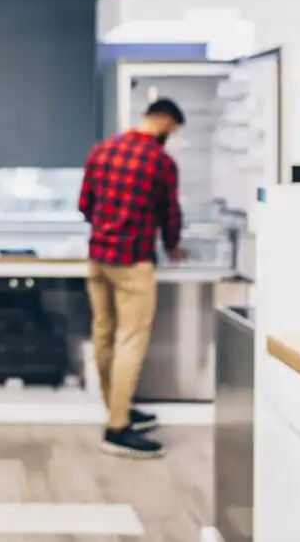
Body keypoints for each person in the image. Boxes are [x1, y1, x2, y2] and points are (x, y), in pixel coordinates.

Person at [78, 97, 186, 459]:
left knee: (104, 333)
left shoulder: (103, 150)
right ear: (167, 123)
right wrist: (173, 245)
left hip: (98, 258)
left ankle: (117, 408)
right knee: (131, 340)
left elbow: (84, 205)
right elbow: (171, 214)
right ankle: (118, 428)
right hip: (133, 261)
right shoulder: (161, 162)